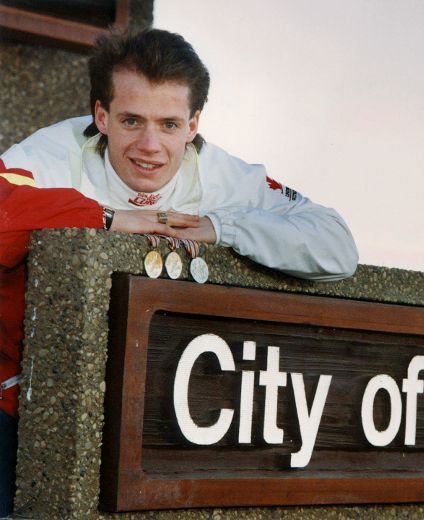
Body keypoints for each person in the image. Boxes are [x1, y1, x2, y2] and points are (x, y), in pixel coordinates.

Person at [0, 28, 358, 515]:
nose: (150, 145)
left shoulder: (221, 175)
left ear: (193, 124)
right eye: (131, 121)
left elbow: (335, 246)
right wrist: (103, 218)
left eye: (168, 124)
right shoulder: (51, 153)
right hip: (20, 405)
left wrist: (223, 227)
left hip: (159, 421)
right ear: (101, 116)